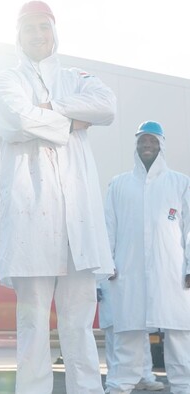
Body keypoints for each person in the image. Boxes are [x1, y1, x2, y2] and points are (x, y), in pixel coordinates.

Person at [0, 0, 116, 394]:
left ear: (54, 32)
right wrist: (73, 122)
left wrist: (50, 109)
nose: (38, 35)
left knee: (78, 324)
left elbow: (107, 106)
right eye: (30, 28)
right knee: (32, 324)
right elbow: (16, 118)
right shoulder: (7, 80)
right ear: (19, 35)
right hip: (33, 219)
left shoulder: (75, 77)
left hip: (77, 222)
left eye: (44, 27)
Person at [104, 121, 190, 394]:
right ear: (137, 145)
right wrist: (107, 263)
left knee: (178, 332)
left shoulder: (180, 183)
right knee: (128, 332)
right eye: (143, 140)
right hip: (128, 270)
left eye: (152, 140)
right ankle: (118, 387)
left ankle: (183, 387)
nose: (147, 145)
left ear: (161, 145)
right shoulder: (119, 184)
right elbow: (108, 226)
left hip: (171, 271)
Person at [97, 280, 165, 391]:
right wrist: (96, 284)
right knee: (114, 336)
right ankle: (114, 381)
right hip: (110, 285)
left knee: (140, 333)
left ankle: (144, 377)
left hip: (135, 289)